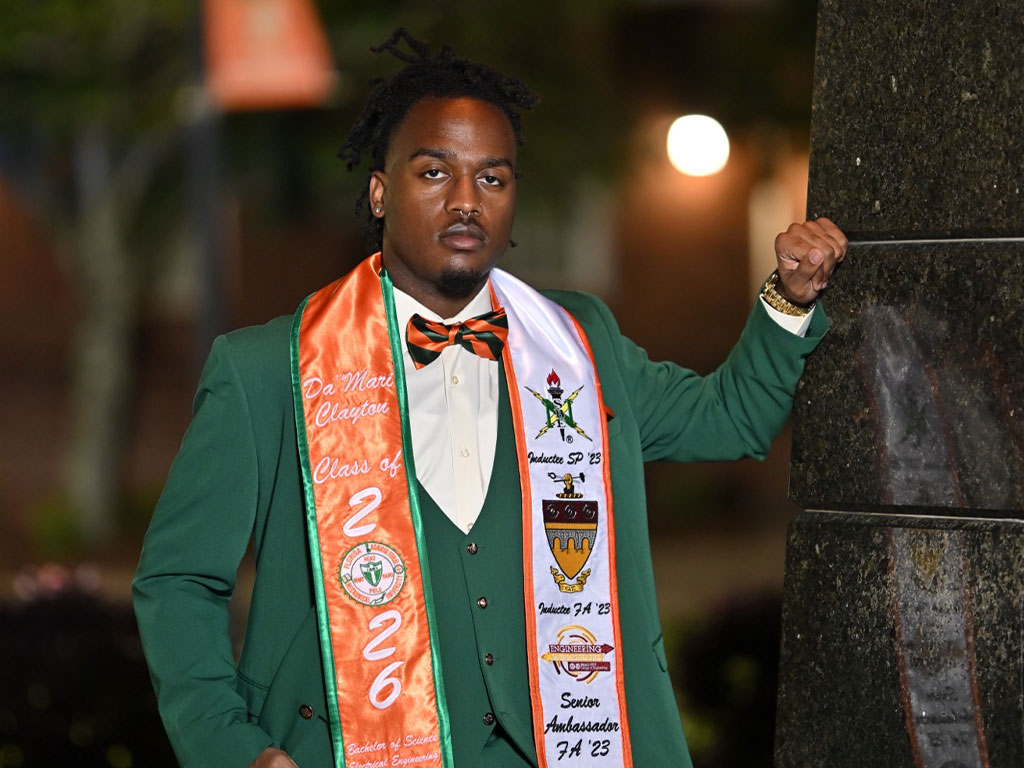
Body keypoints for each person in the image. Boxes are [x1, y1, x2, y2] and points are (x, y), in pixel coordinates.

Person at [133, 29, 846, 768]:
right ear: (380, 192)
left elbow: (729, 419)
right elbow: (177, 581)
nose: (466, 202)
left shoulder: (579, 345)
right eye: (435, 172)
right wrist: (232, 747)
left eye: (493, 179)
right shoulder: (262, 372)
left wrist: (788, 300)